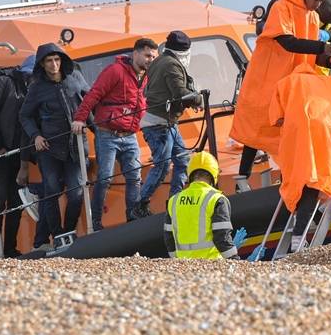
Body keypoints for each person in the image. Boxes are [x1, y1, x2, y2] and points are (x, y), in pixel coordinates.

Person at [231, 0, 331, 191]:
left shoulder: (312, 16)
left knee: (290, 129)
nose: (319, 5)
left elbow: (309, 55)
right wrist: (322, 47)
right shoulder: (281, 7)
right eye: (317, 0)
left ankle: (289, 178)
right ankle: (242, 179)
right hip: (267, 77)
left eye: (322, 1)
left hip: (293, 82)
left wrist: (329, 58)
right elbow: (287, 42)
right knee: (256, 126)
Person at [269, 63, 331, 251]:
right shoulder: (330, 82)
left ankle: (303, 228)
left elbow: (276, 119)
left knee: (300, 180)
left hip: (295, 136)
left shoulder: (284, 83)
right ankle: (302, 233)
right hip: (324, 131)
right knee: (317, 179)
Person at [72, 38, 157, 227]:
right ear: (135, 54)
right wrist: (79, 118)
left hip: (130, 135)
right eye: (147, 55)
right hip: (107, 134)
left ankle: (132, 217)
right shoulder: (115, 71)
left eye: (153, 56)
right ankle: (95, 221)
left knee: (134, 176)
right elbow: (94, 94)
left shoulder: (147, 78)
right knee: (104, 178)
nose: (150, 60)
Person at [20, 43, 90, 241]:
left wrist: (96, 128)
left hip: (75, 146)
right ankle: (58, 234)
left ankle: (68, 231)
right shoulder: (36, 88)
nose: (54, 64)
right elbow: (24, 116)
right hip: (49, 149)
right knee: (51, 192)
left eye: (57, 59)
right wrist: (36, 136)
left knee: (76, 193)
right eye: (49, 61)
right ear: (42, 64)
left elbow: (89, 100)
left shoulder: (75, 78)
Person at [131, 32, 201, 219]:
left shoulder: (160, 61)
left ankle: (175, 200)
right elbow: (180, 93)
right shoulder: (172, 65)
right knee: (162, 166)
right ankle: (141, 204)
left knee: (182, 161)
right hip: (159, 124)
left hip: (166, 122)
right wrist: (198, 98)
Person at [0, 55, 36, 256]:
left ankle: (9, 249)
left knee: (16, 203)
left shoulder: (30, 90)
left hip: (17, 153)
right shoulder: (2, 82)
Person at [163, 151, 238, 259]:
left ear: (190, 174)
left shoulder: (174, 200)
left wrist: (177, 261)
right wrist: (234, 260)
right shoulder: (216, 199)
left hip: (183, 265)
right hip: (212, 264)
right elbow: (222, 236)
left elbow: (169, 238)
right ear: (214, 175)